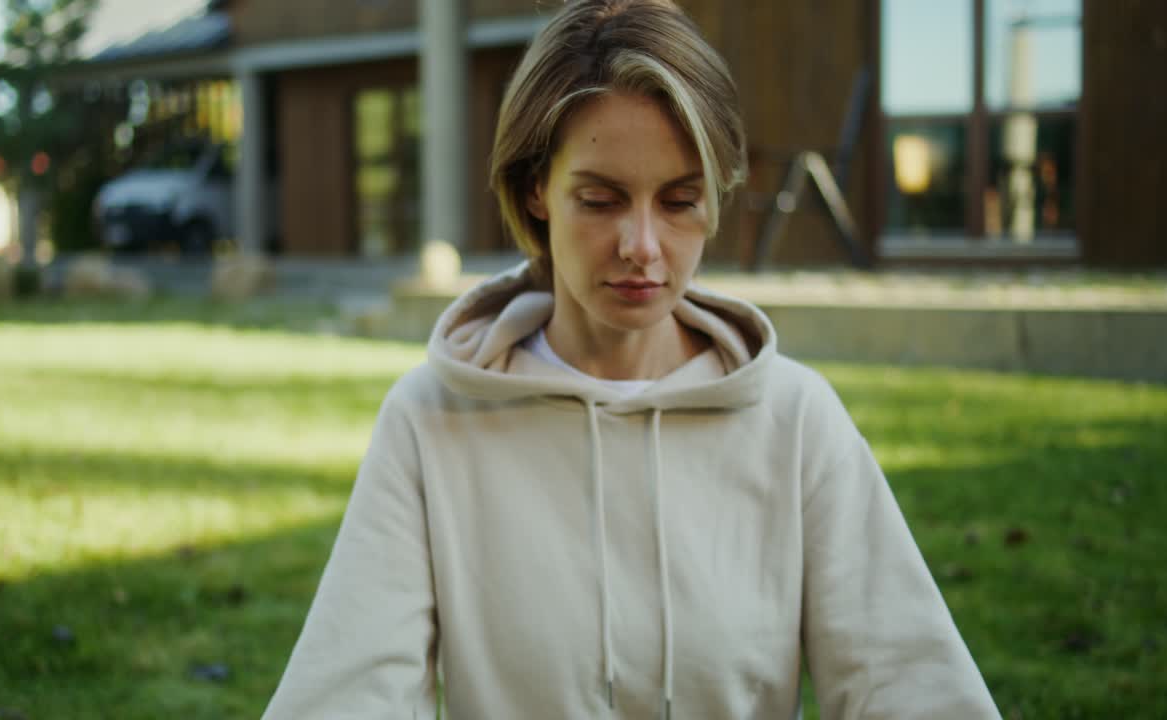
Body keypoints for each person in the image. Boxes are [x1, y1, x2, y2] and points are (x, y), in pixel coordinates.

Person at [262, 1, 1000, 718]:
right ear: (535, 190)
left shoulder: (796, 422)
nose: (642, 247)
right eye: (602, 199)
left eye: (679, 202)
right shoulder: (430, 422)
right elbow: (347, 693)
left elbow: (909, 684)